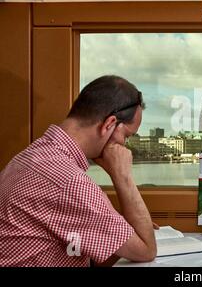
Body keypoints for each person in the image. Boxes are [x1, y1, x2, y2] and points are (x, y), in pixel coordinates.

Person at [0, 75, 158, 267]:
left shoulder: (30, 156)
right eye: (127, 135)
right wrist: (123, 176)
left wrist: (122, 230)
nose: (125, 144)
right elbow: (146, 250)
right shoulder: (68, 180)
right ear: (109, 124)